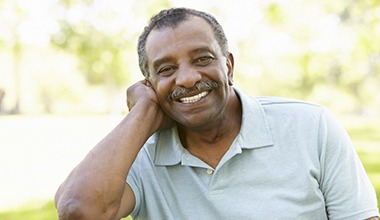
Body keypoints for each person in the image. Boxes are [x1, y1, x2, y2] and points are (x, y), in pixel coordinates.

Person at [54, 7, 379, 220]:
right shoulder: (137, 156)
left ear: (229, 65)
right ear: (149, 85)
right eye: (166, 69)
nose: (187, 78)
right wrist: (143, 113)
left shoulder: (311, 126)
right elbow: (78, 211)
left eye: (202, 58)